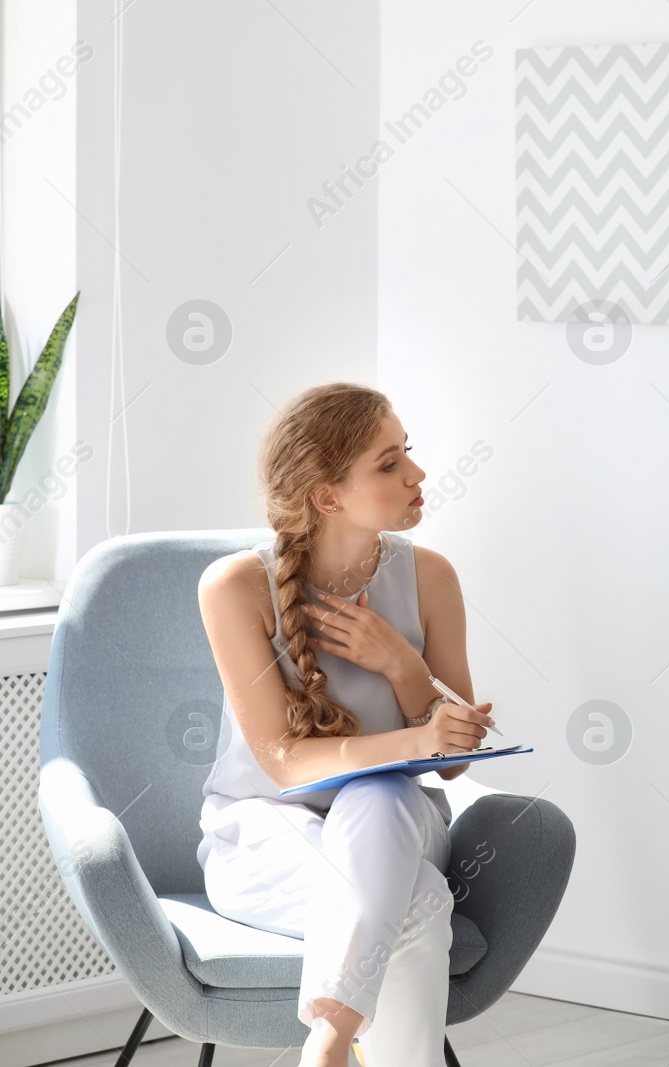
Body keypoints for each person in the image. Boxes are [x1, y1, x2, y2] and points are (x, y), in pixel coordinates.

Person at [194, 383, 497, 1067]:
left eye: (408, 454)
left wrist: (405, 668)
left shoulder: (432, 578)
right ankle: (333, 1044)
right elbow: (282, 762)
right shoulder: (236, 586)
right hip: (264, 837)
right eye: (389, 464)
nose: (417, 474)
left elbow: (451, 766)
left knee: (381, 794)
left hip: (405, 822)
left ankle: (327, 1046)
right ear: (327, 497)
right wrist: (420, 735)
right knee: (416, 901)